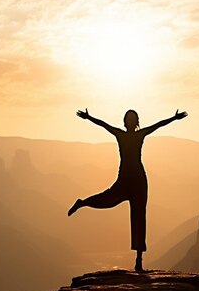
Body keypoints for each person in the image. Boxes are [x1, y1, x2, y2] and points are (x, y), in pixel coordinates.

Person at [68, 108, 188, 272]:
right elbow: (158, 125)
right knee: (136, 216)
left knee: (112, 200)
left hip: (131, 179)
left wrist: (89, 117)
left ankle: (138, 261)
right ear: (134, 122)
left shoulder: (122, 135)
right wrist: (174, 118)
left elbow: (104, 125)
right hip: (135, 179)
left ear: (127, 122)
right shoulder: (137, 135)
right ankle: (138, 261)